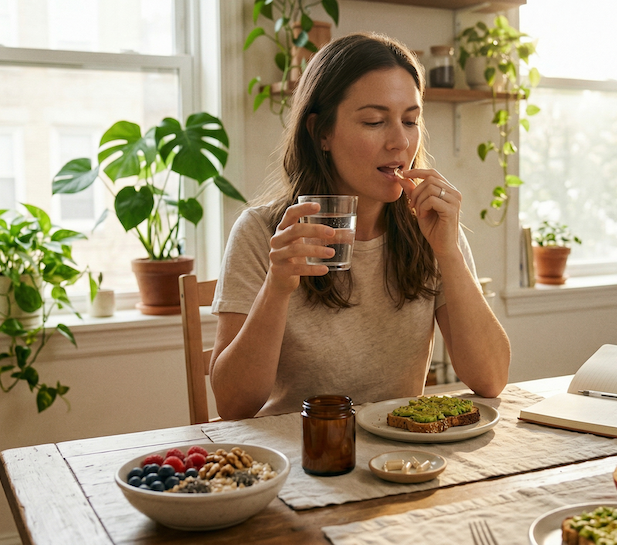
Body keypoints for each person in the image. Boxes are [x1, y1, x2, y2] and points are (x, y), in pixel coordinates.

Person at [209, 32, 510, 419]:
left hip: (399, 458)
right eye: (374, 121)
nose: (400, 141)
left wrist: (449, 253)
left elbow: (491, 380)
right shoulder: (261, 232)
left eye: (410, 120)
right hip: (299, 457)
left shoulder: (430, 227)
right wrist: (277, 287)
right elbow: (233, 406)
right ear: (322, 133)